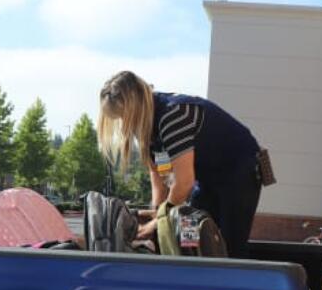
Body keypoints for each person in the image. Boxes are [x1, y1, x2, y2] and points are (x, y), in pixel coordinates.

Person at [96, 71, 262, 258]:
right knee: (188, 237)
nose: (123, 123)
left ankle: (237, 280)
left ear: (134, 106)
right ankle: (190, 280)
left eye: (123, 116)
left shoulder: (172, 116)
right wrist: (158, 215)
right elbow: (158, 175)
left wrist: (157, 221)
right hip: (207, 180)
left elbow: (184, 183)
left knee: (231, 246)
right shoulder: (144, 123)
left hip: (239, 173)